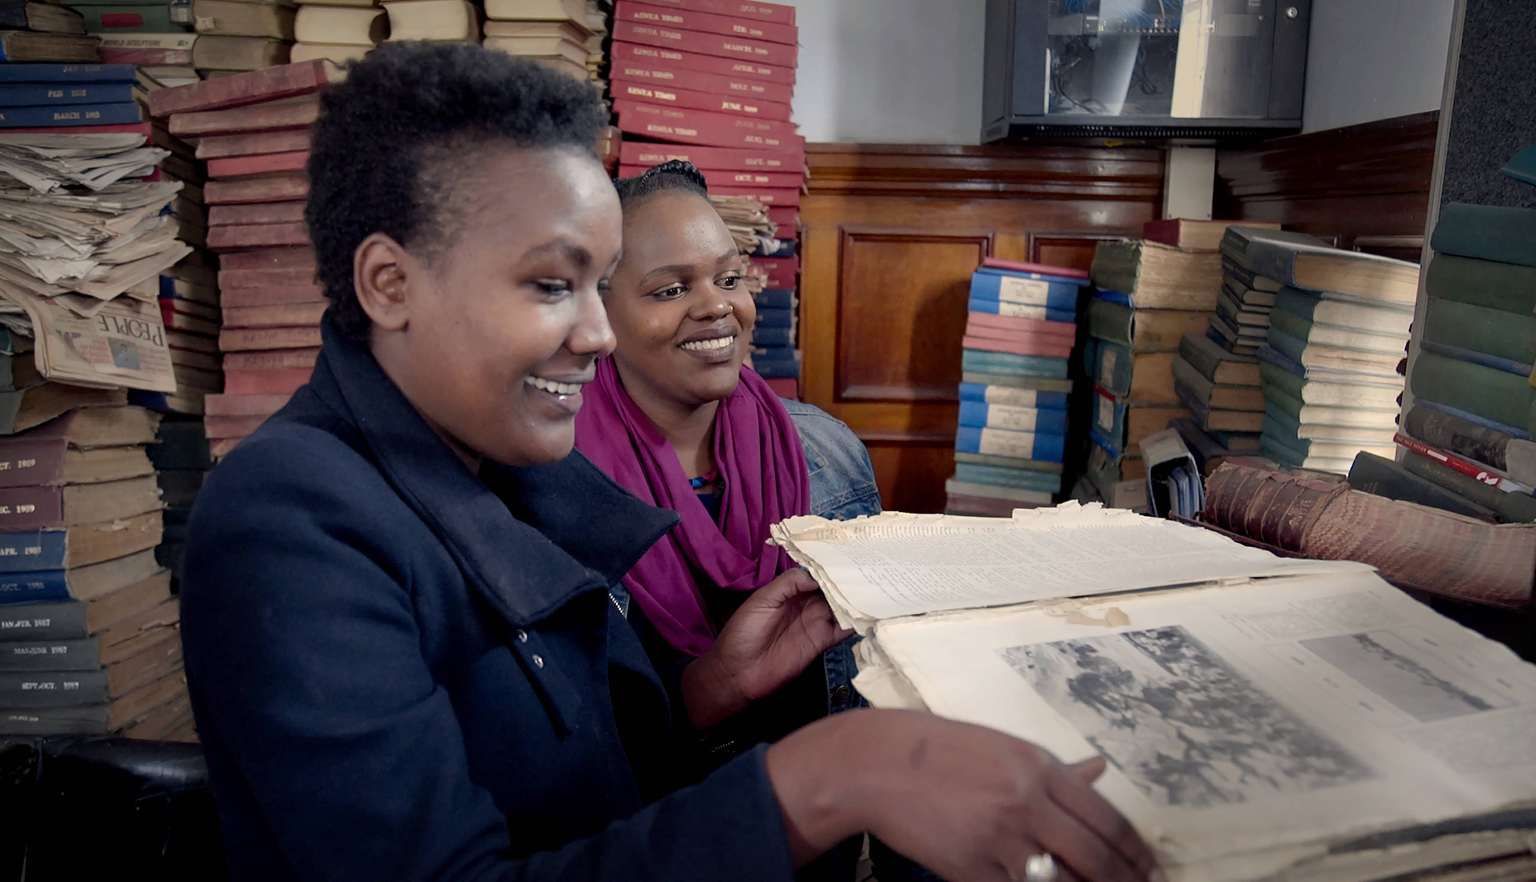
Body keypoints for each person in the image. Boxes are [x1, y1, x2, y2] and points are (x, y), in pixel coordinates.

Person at [179, 42, 1162, 882]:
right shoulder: (287, 522)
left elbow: (578, 784)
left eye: (599, 288)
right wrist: (835, 773)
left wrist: (705, 694)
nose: (601, 336)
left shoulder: (506, 467)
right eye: (554, 285)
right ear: (391, 283)